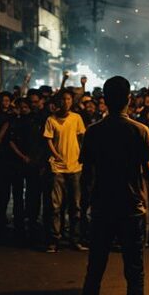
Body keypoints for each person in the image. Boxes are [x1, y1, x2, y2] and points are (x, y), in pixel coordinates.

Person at [76, 76, 149, 295]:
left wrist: (85, 205)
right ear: (129, 99)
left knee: (94, 273)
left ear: (105, 100)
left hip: (102, 208)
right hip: (131, 208)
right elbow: (148, 171)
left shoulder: (93, 131)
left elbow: (86, 174)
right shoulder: (140, 130)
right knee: (135, 273)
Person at [44, 89, 87, 252]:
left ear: (72, 101)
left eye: (69, 99)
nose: (66, 102)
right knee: (55, 206)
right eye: (63, 99)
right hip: (57, 168)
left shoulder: (76, 118)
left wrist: (81, 156)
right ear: (59, 101)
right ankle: (54, 239)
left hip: (75, 167)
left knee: (75, 206)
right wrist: (56, 155)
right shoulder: (51, 119)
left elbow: (82, 138)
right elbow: (48, 140)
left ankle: (74, 239)